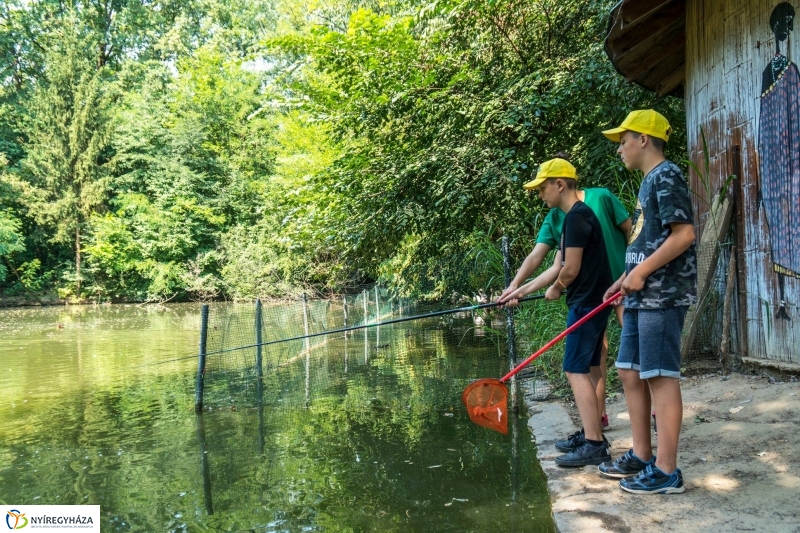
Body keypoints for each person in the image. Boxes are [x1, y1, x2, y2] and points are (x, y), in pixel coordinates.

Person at [599, 109, 697, 494]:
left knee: (659, 376)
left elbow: (684, 234)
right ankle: (642, 455)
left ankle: (667, 470)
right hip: (640, 295)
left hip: (663, 295)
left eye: (623, 141)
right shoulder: (646, 184)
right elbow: (646, 243)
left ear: (643, 139)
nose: (620, 149)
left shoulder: (667, 175)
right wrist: (624, 278)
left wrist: (641, 274)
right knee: (628, 370)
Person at [499, 155, 631, 434]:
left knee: (603, 362)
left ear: (560, 184)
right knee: (591, 363)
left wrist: (558, 286)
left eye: (541, 188)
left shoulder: (584, 211)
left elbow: (569, 269)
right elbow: (551, 263)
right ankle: (594, 426)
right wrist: (518, 290)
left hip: (609, 290)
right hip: (595, 295)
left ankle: (595, 440)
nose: (539, 195)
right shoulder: (564, 217)